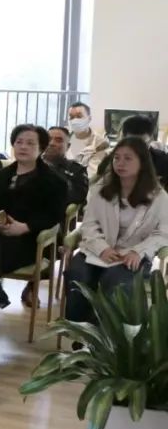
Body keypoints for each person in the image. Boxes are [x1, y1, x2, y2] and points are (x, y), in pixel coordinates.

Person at [64, 137, 168, 341]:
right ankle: (80, 333)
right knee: (77, 274)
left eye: (128, 158)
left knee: (116, 282)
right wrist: (102, 248)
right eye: (117, 158)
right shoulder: (100, 189)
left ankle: (106, 340)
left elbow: (163, 232)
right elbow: (89, 225)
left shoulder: (159, 196)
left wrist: (138, 251)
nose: (120, 163)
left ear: (142, 162)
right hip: (96, 250)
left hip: (132, 254)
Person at [0, 125, 67, 318]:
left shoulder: (55, 182)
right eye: (19, 142)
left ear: (41, 148)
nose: (23, 147)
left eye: (30, 143)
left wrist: (25, 227)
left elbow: (54, 215)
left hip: (30, 241)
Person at [95, 115, 168, 188]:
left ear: (151, 139)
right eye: (131, 143)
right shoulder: (111, 160)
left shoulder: (162, 161)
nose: (136, 149)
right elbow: (96, 184)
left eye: (141, 143)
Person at [44, 127, 90, 207]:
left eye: (58, 140)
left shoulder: (76, 170)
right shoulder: (30, 165)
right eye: (48, 139)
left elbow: (78, 198)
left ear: (68, 146)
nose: (51, 143)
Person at [65, 101, 108, 177]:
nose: (74, 121)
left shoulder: (99, 143)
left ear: (89, 118)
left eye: (79, 116)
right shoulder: (64, 139)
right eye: (71, 117)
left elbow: (94, 173)